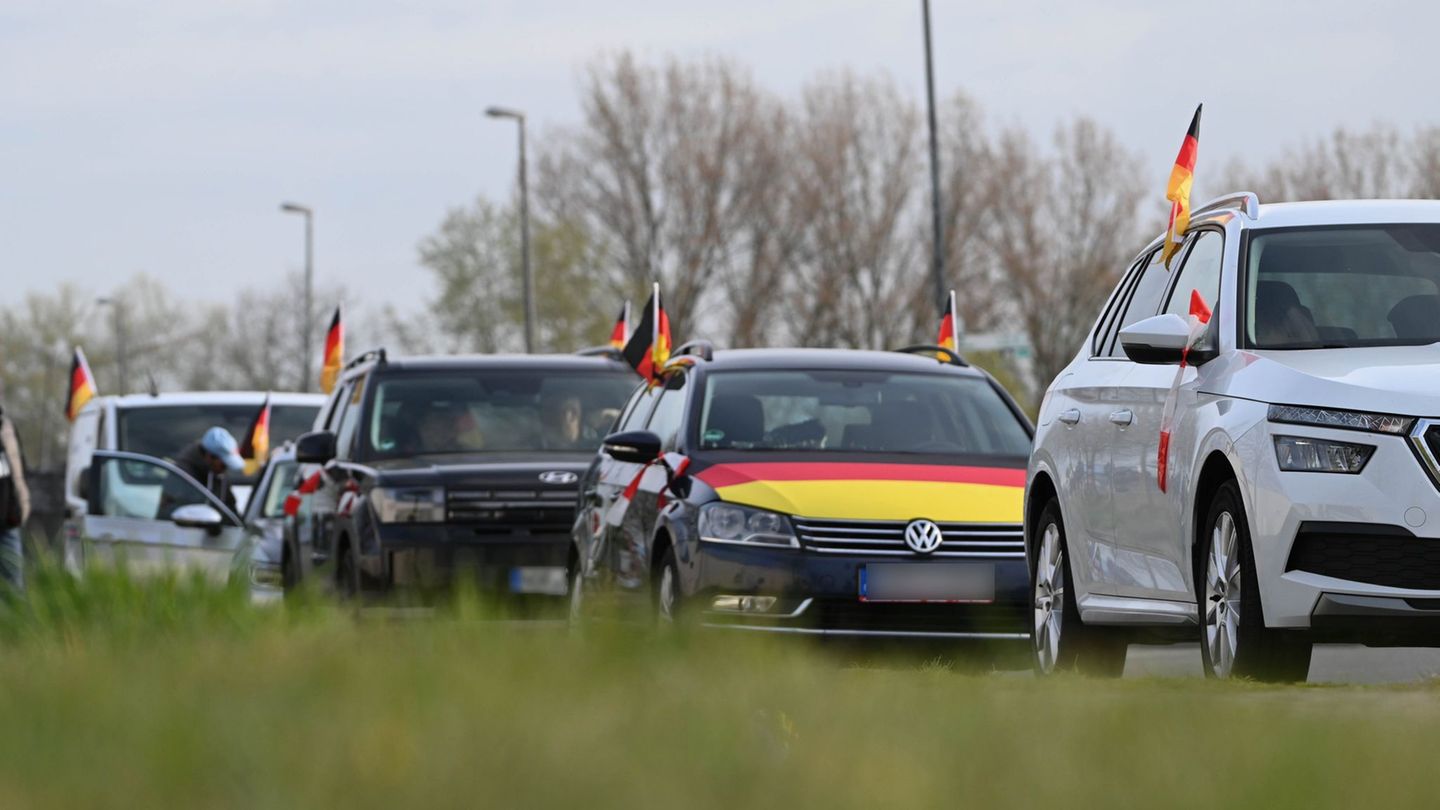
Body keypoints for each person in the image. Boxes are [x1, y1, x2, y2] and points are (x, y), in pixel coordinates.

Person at [163, 426, 244, 516]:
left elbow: (229, 507)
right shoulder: (182, 476)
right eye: (223, 465)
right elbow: (172, 512)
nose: (225, 469)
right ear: (209, 457)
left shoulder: (218, 475)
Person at [0, 399, 31, 594]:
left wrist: (22, 504)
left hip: (8, 522)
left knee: (15, 589)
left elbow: (19, 470)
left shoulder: (7, 427)